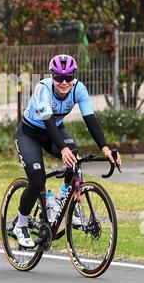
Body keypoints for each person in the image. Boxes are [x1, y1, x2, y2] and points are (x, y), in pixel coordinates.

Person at [13, 54, 121, 248]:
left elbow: (91, 120)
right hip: (30, 134)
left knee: (75, 158)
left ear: (74, 77)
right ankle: (20, 224)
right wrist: (62, 148)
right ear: (52, 76)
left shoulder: (79, 89)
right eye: (59, 78)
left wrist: (105, 149)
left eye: (69, 77)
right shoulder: (42, 89)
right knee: (37, 180)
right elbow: (48, 122)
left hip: (55, 131)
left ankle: (64, 199)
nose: (64, 83)